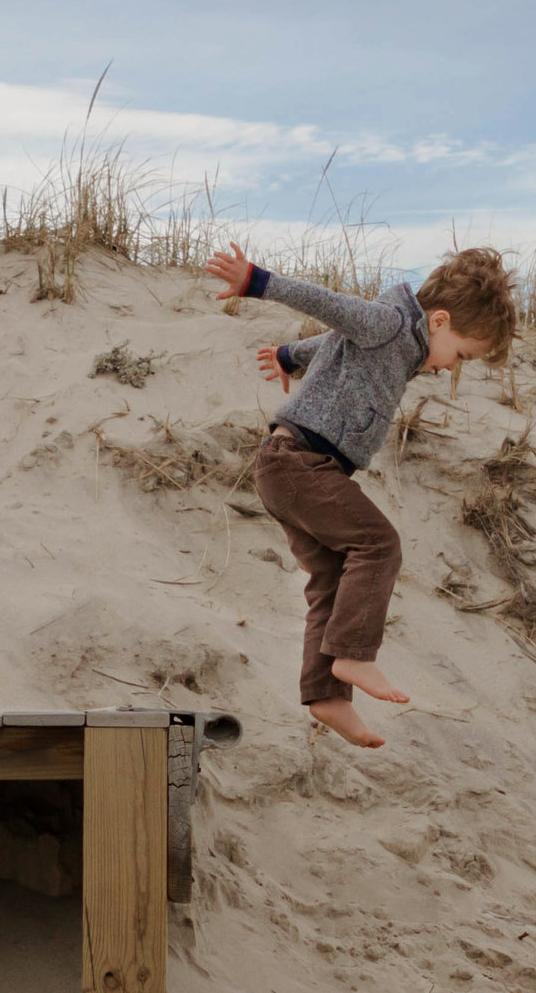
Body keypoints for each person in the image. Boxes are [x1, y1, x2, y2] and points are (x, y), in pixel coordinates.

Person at [201, 243, 517, 747]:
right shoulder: (390, 323)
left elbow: (336, 340)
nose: (452, 367)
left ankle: (326, 696)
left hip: (296, 468)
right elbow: (334, 309)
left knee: (332, 574)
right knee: (378, 545)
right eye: (461, 355)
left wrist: (288, 355)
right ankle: (354, 656)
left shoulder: (399, 344)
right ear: (438, 321)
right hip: (298, 464)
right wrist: (258, 281)